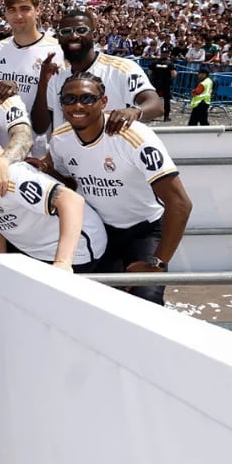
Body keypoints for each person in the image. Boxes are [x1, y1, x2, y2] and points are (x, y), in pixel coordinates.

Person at [48, 72, 193, 306]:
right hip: (98, 229)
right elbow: (69, 183)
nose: (77, 105)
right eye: (69, 99)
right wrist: (42, 170)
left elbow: (180, 203)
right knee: (91, 301)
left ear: (103, 102)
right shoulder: (60, 138)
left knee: (145, 302)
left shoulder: (133, 136)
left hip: (143, 229)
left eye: (87, 99)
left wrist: (157, 264)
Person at [0, 127, 107, 272]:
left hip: (77, 251)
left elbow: (71, 200)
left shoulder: (9, 176)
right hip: (33, 251)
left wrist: (63, 262)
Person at [31, 9, 162, 135]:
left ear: (93, 34)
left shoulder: (122, 68)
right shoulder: (56, 74)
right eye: (66, 32)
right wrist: (43, 81)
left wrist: (133, 112)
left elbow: (156, 105)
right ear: (59, 37)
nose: (74, 36)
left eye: (81, 30)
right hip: (66, 156)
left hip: (110, 156)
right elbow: (40, 127)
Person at [148, 53, 176, 122]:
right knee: (166, 100)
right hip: (166, 83)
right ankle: (166, 117)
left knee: (153, 99)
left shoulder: (154, 62)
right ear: (167, 55)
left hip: (156, 83)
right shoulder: (170, 63)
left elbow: (149, 72)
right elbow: (173, 74)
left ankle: (151, 115)